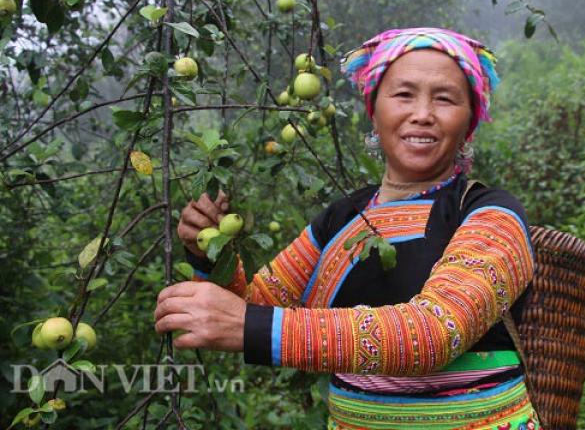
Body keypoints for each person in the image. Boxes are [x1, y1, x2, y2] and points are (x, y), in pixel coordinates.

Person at [154, 27, 542, 429]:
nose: (423, 113)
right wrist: (208, 250)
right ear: (374, 109)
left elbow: (437, 331)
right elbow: (256, 305)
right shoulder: (341, 219)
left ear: (469, 120)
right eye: (404, 94)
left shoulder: (492, 214)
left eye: (444, 99)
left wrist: (251, 327)